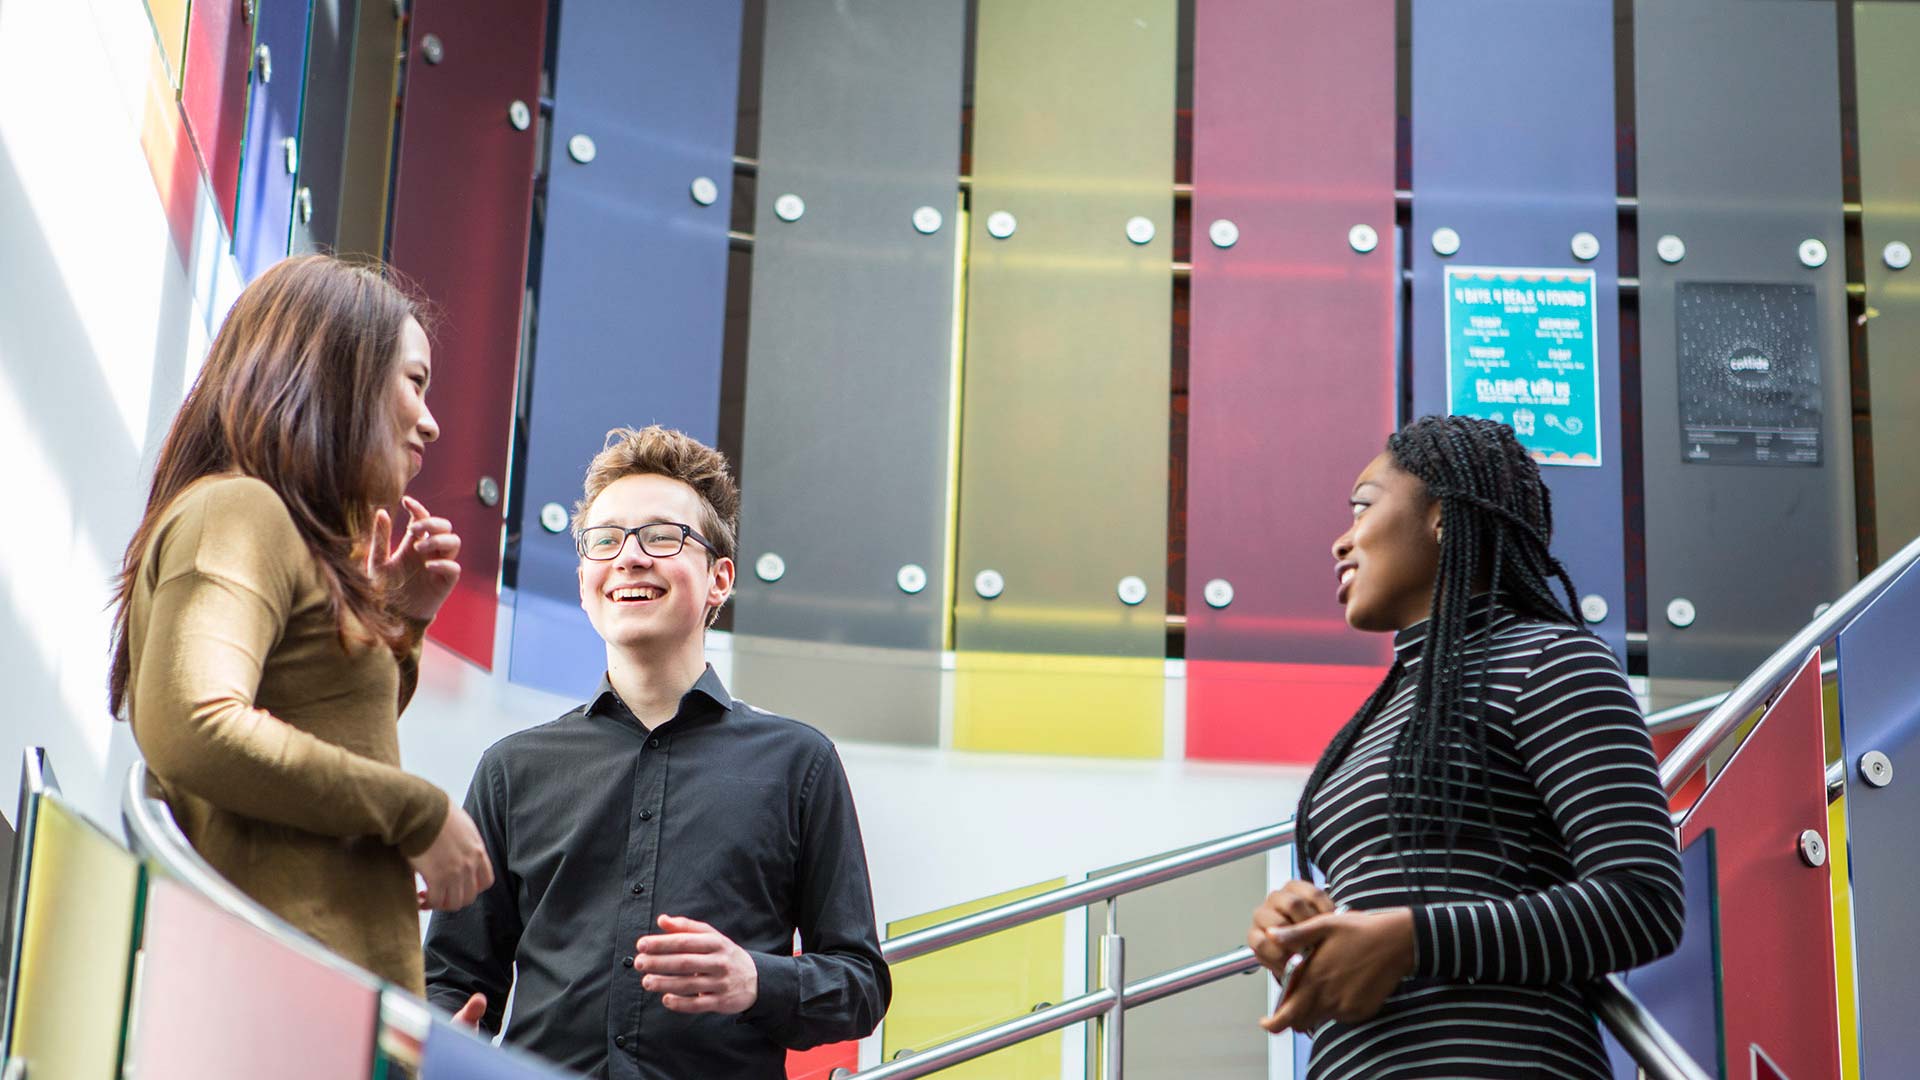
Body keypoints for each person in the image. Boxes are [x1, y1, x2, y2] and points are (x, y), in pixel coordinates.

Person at [423, 426, 891, 1080]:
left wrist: (755, 979)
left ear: (718, 579)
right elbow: (452, 977)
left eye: (662, 537)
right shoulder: (511, 769)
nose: (630, 558)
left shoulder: (798, 764)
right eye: (606, 540)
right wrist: (442, 1037)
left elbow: (860, 983)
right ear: (585, 576)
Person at [1248, 415, 1684, 1079]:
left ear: (1445, 518)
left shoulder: (1550, 660)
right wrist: (1303, 927)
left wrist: (1413, 939)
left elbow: (1643, 901)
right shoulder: (1380, 717)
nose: (1341, 541)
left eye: (1363, 507)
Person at [109, 255, 492, 994]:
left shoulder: (268, 525)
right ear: (342, 371)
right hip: (276, 1011)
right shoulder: (240, 512)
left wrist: (398, 627)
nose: (433, 423)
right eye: (415, 382)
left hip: (312, 1012)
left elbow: (325, 721)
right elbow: (195, 723)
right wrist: (419, 814)